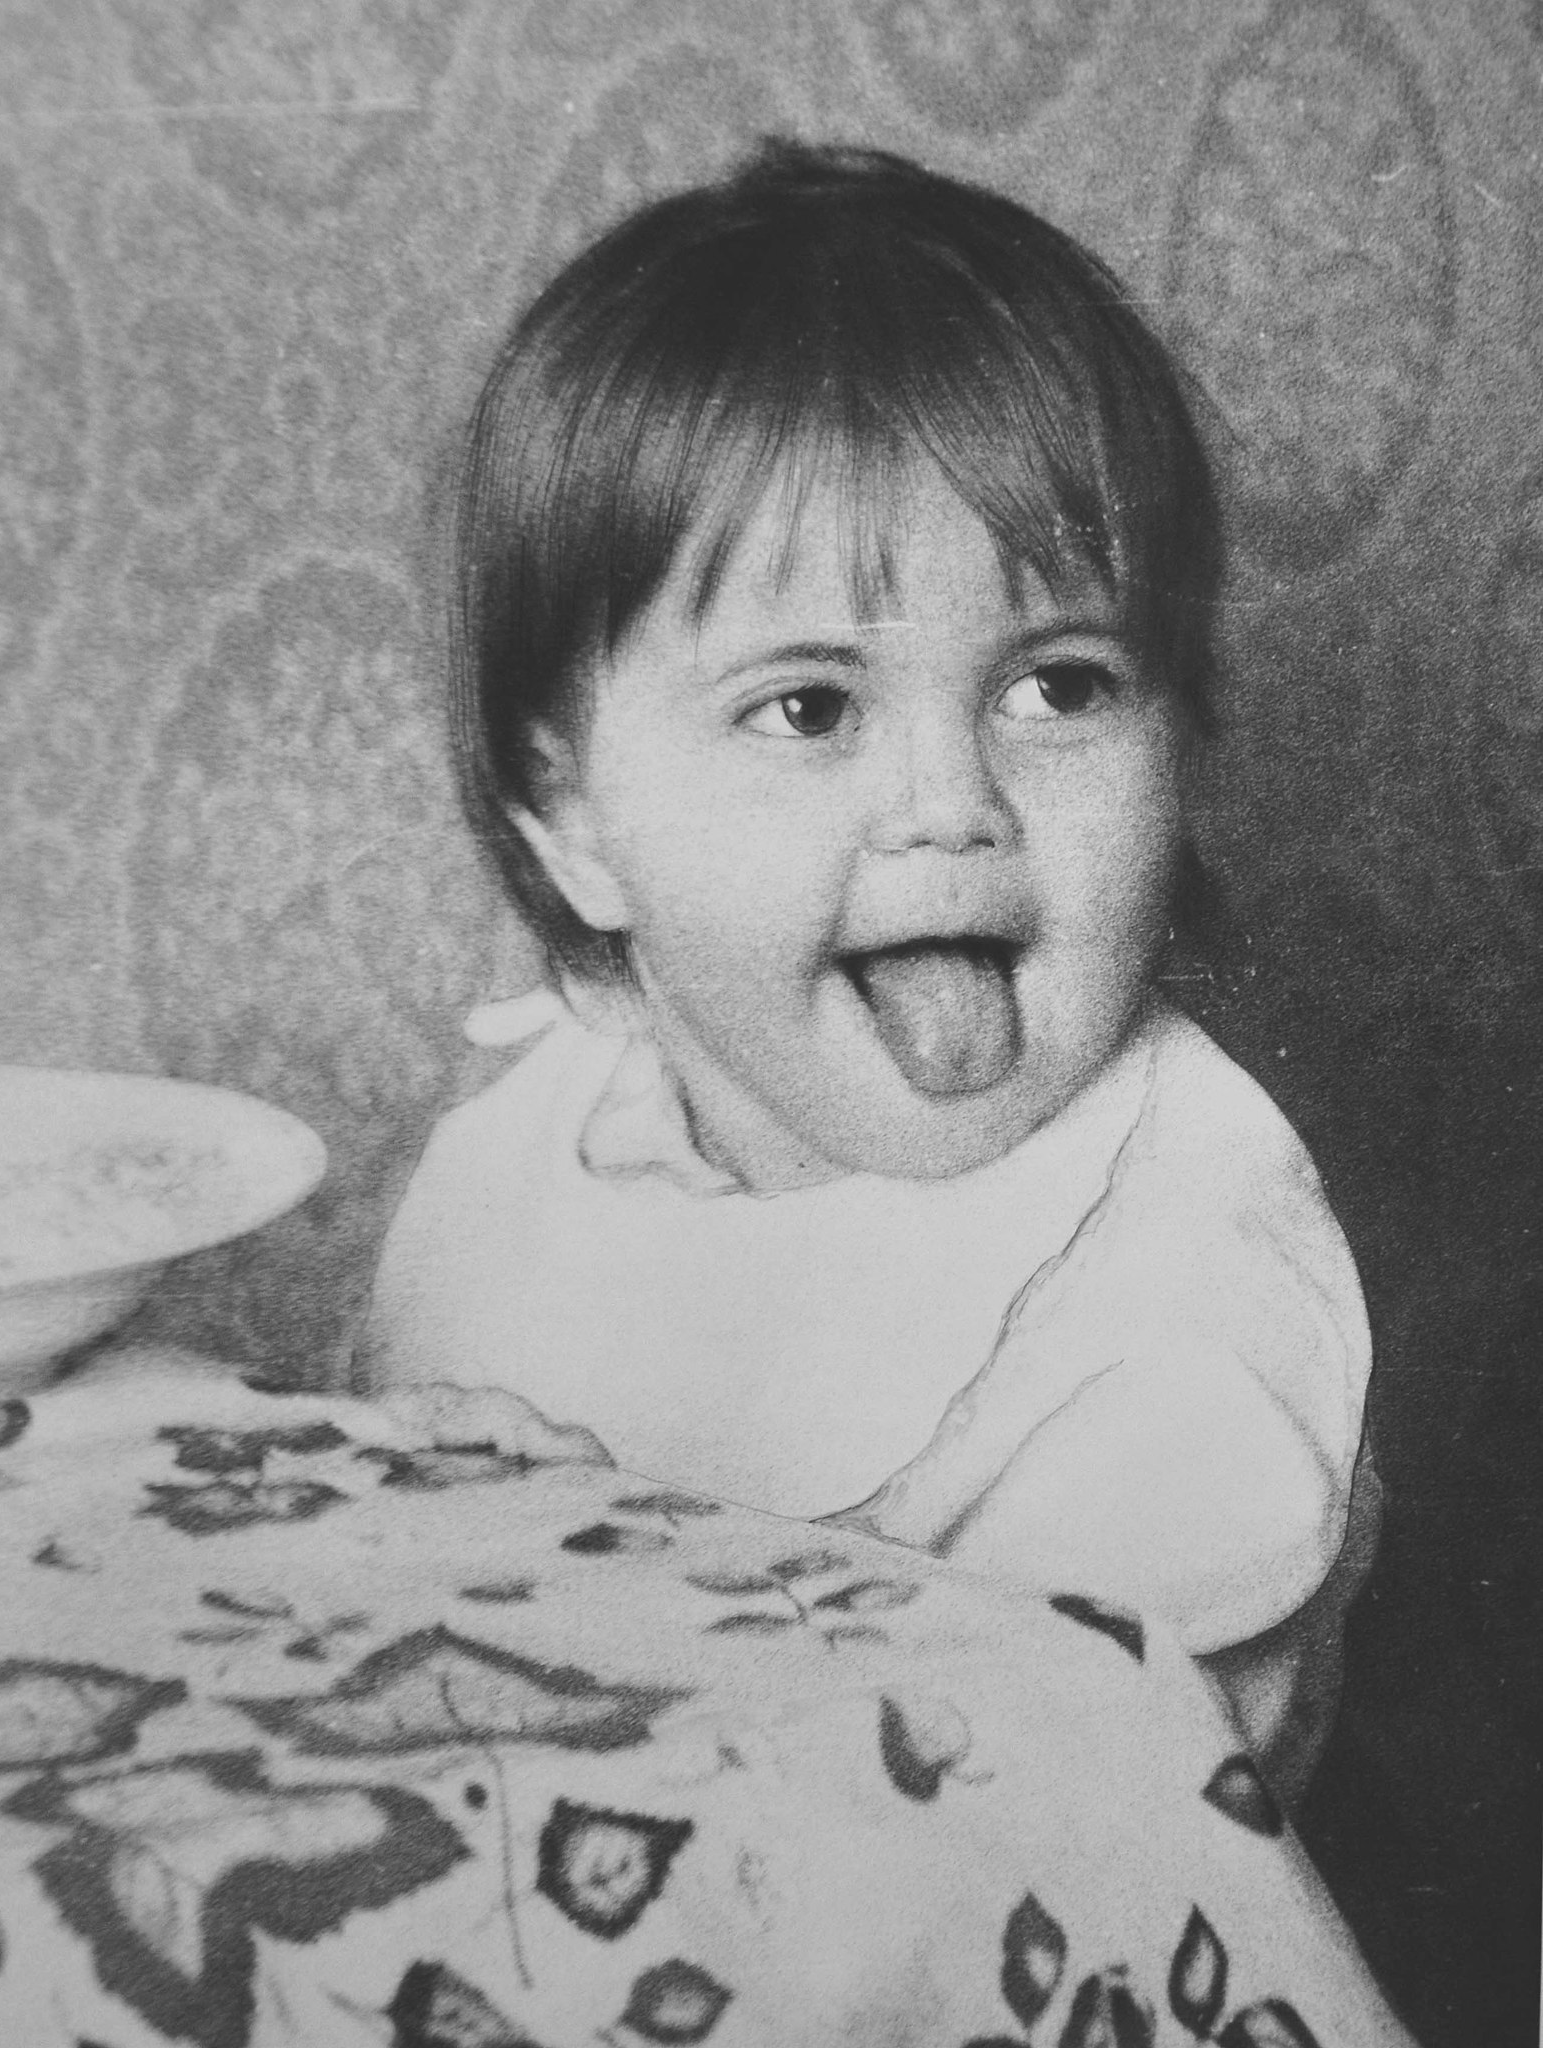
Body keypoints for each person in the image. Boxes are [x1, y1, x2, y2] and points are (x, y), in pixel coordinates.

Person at [357, 140, 1379, 1806]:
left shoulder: (1179, 1318)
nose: (948, 805)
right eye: (809, 707)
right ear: (574, 824)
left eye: (1057, 686)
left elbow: (1006, 1842)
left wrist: (596, 1594)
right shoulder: (553, 1127)